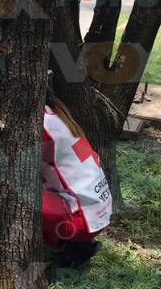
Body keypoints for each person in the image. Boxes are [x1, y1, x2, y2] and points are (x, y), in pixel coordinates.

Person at [42, 90, 112, 268]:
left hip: (79, 221)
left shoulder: (40, 125)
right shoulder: (57, 116)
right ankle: (78, 246)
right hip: (96, 211)